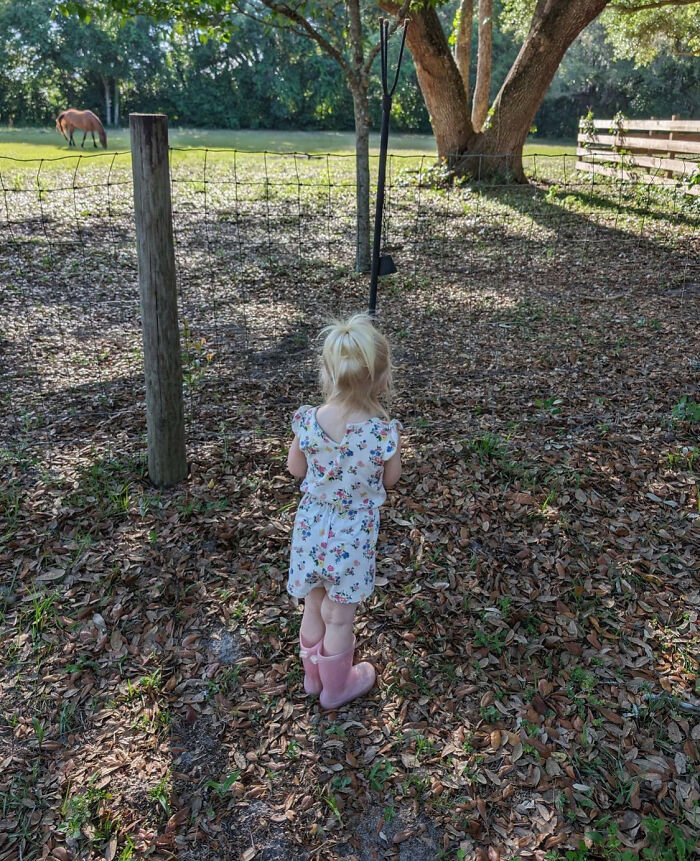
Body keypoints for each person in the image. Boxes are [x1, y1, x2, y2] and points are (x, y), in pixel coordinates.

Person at [286, 313, 402, 709]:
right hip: (351, 534)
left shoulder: (308, 421)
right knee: (339, 614)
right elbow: (390, 480)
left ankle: (312, 679)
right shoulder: (381, 432)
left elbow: (295, 469)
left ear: (327, 372)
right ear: (382, 378)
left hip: (312, 527)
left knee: (314, 602)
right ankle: (338, 687)